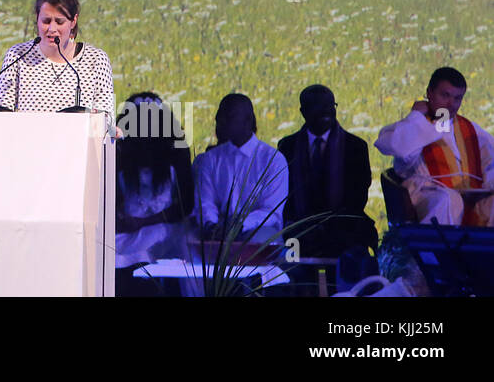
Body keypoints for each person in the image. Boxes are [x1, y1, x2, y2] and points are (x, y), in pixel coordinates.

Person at [375, 66, 493, 227]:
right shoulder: (416, 124)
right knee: (448, 200)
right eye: (445, 95)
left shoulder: (470, 130)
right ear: (429, 93)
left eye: (457, 98)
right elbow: (399, 148)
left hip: (468, 195)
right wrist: (416, 116)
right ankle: (436, 252)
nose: (451, 104)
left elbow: (490, 164)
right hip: (428, 194)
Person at [277, 85, 377, 264]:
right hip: (300, 230)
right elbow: (285, 197)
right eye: (318, 106)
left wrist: (328, 227)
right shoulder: (287, 147)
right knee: (287, 259)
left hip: (343, 229)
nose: (326, 112)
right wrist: (306, 227)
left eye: (330, 106)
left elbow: (358, 198)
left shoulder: (356, 146)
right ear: (303, 111)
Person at [0, 0, 116, 126]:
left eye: (59, 22)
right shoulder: (17, 56)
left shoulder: (96, 59)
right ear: (37, 18)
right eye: (46, 21)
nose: (52, 29)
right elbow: (1, 116)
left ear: (73, 21)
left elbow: (107, 119)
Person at [192, 93, 287, 243]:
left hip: (257, 228)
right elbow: (205, 202)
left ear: (248, 121)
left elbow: (271, 212)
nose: (221, 122)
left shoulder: (273, 159)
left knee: (259, 241)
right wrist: (211, 225)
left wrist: (240, 225)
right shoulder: (210, 159)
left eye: (228, 117)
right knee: (186, 241)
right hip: (218, 228)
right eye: (219, 117)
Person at [114, 93, 193, 274]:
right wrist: (121, 217)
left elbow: (185, 205)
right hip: (128, 228)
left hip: (163, 227)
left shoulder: (177, 152)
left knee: (148, 244)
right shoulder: (119, 151)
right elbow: (112, 197)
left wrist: (146, 221)